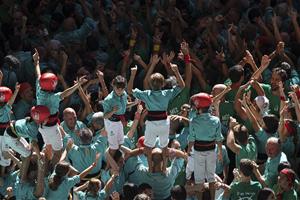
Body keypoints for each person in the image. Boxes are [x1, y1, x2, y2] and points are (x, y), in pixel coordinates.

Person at [33, 49, 87, 167]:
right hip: (52, 128)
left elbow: (38, 75)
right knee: (58, 152)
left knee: (48, 146)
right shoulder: (53, 97)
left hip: (41, 126)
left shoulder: (39, 87)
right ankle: (52, 170)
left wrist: (36, 62)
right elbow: (66, 93)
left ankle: (44, 167)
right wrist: (77, 85)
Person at [128, 61, 185, 172]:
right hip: (164, 123)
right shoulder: (167, 93)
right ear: (163, 84)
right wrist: (176, 71)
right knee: (164, 147)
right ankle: (164, 168)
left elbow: (129, 90)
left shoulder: (146, 94)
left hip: (152, 124)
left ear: (150, 84)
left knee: (148, 147)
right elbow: (182, 86)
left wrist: (133, 74)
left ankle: (150, 168)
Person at [187, 92, 223, 200]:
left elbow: (191, 138)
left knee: (199, 179)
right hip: (212, 151)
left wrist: (189, 149)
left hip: (198, 151)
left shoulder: (194, 121)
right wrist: (220, 152)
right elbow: (219, 138)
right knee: (211, 177)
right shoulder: (216, 120)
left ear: (199, 108)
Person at [102, 75, 128, 171]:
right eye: (118, 88)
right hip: (111, 122)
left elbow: (125, 106)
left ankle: (114, 162)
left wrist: (134, 103)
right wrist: (113, 111)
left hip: (119, 121)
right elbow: (105, 116)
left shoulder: (124, 94)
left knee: (120, 143)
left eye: (122, 88)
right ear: (113, 86)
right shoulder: (108, 99)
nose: (120, 91)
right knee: (113, 148)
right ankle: (107, 169)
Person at [0, 84, 19, 167]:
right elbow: (11, 102)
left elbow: (10, 102)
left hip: (5, 132)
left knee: (5, 152)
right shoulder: (5, 109)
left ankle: (6, 170)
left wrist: (16, 91)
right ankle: (4, 171)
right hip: (3, 133)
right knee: (4, 154)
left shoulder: (6, 108)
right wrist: (16, 91)